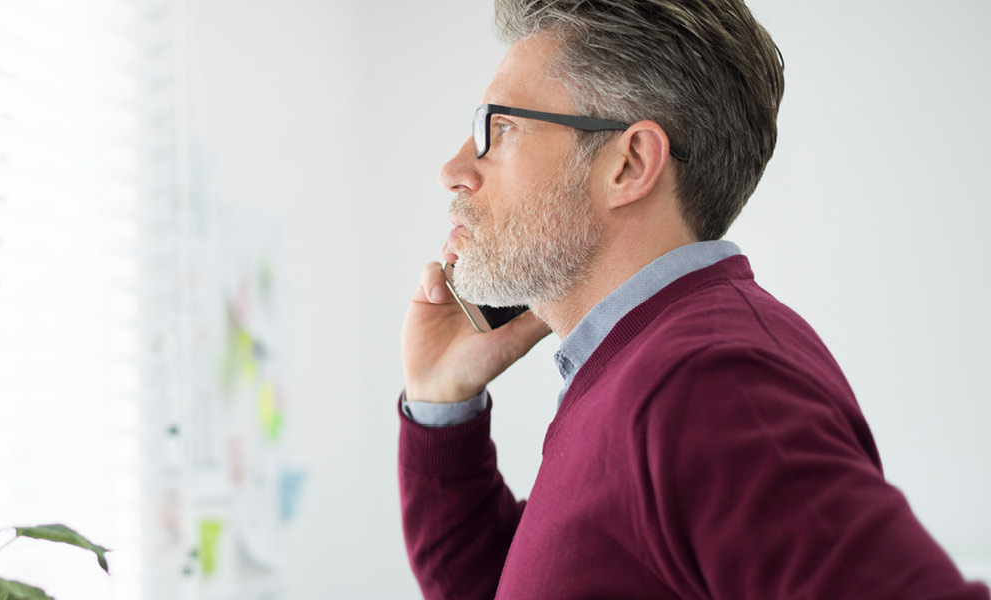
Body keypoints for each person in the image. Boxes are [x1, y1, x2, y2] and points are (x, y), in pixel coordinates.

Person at [396, 1, 991, 598]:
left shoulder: (709, 381)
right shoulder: (642, 368)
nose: (452, 170)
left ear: (630, 164)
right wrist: (442, 400)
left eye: (498, 129)